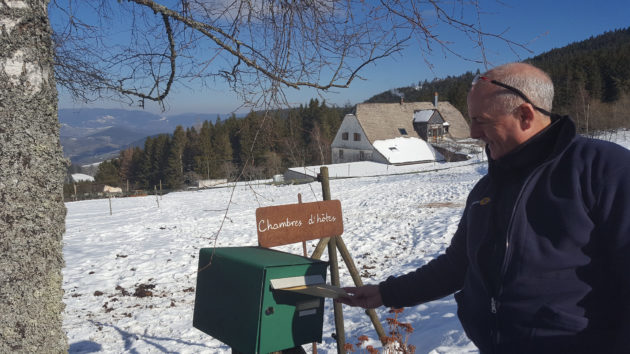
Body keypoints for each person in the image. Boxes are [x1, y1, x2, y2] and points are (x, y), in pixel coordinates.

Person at [336, 63, 630, 353]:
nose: (473, 133)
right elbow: (458, 264)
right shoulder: (488, 188)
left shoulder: (604, 171)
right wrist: (385, 293)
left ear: (525, 115)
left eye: (482, 120)